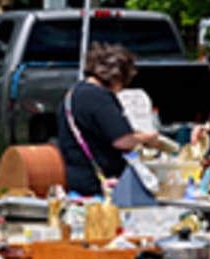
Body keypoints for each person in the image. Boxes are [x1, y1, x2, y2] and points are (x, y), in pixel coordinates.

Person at [57, 42, 161, 196]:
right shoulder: (100, 97)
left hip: (75, 176)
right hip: (99, 183)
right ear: (117, 76)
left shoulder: (73, 94)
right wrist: (148, 138)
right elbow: (122, 140)